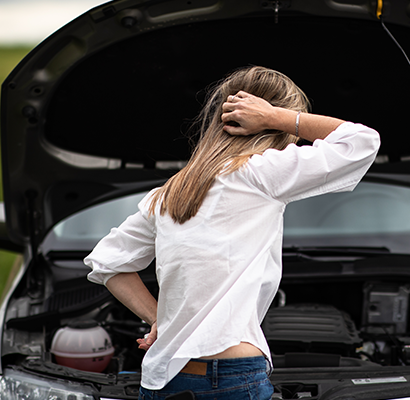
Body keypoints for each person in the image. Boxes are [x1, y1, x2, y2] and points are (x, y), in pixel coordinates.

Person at [84, 66, 380, 399]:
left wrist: (162, 320)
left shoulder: (169, 193)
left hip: (163, 380)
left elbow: (108, 261)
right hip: (230, 378)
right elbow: (362, 142)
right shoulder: (261, 171)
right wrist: (278, 117)